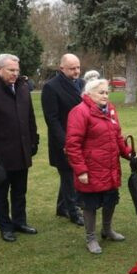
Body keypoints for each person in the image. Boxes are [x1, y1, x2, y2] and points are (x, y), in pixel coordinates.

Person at [0, 53, 39, 242]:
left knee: (20, 191)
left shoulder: (22, 88)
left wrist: (34, 141)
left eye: (17, 70)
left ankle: (20, 221)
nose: (15, 74)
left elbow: (30, 117)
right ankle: (5, 227)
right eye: (11, 70)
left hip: (22, 151)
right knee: (1, 193)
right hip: (1, 155)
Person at [65, 78, 133, 254]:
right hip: (91, 169)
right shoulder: (79, 112)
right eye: (101, 92)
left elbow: (117, 136)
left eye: (107, 92)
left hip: (110, 167)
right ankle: (91, 238)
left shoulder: (110, 109)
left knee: (110, 199)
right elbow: (73, 145)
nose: (105, 95)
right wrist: (81, 170)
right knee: (90, 205)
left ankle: (107, 230)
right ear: (89, 94)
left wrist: (128, 153)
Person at [41, 53, 84, 226]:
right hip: (64, 140)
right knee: (68, 175)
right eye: (72, 68)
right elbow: (51, 119)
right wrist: (66, 142)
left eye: (78, 67)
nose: (76, 71)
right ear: (62, 68)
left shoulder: (82, 84)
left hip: (81, 138)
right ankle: (74, 211)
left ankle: (61, 207)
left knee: (70, 174)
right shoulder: (51, 87)